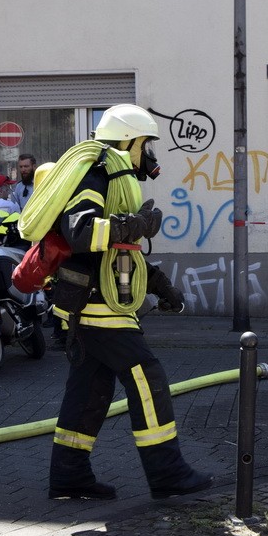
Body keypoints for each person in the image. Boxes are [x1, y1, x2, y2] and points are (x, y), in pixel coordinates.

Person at [26, 103, 212, 501]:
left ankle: (69, 475)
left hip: (93, 300)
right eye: (147, 144)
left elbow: (119, 251)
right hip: (96, 305)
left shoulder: (112, 175)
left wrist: (161, 286)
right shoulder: (95, 173)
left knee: (91, 390)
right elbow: (81, 233)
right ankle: (167, 472)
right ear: (130, 141)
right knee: (148, 377)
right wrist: (137, 224)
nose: (150, 155)